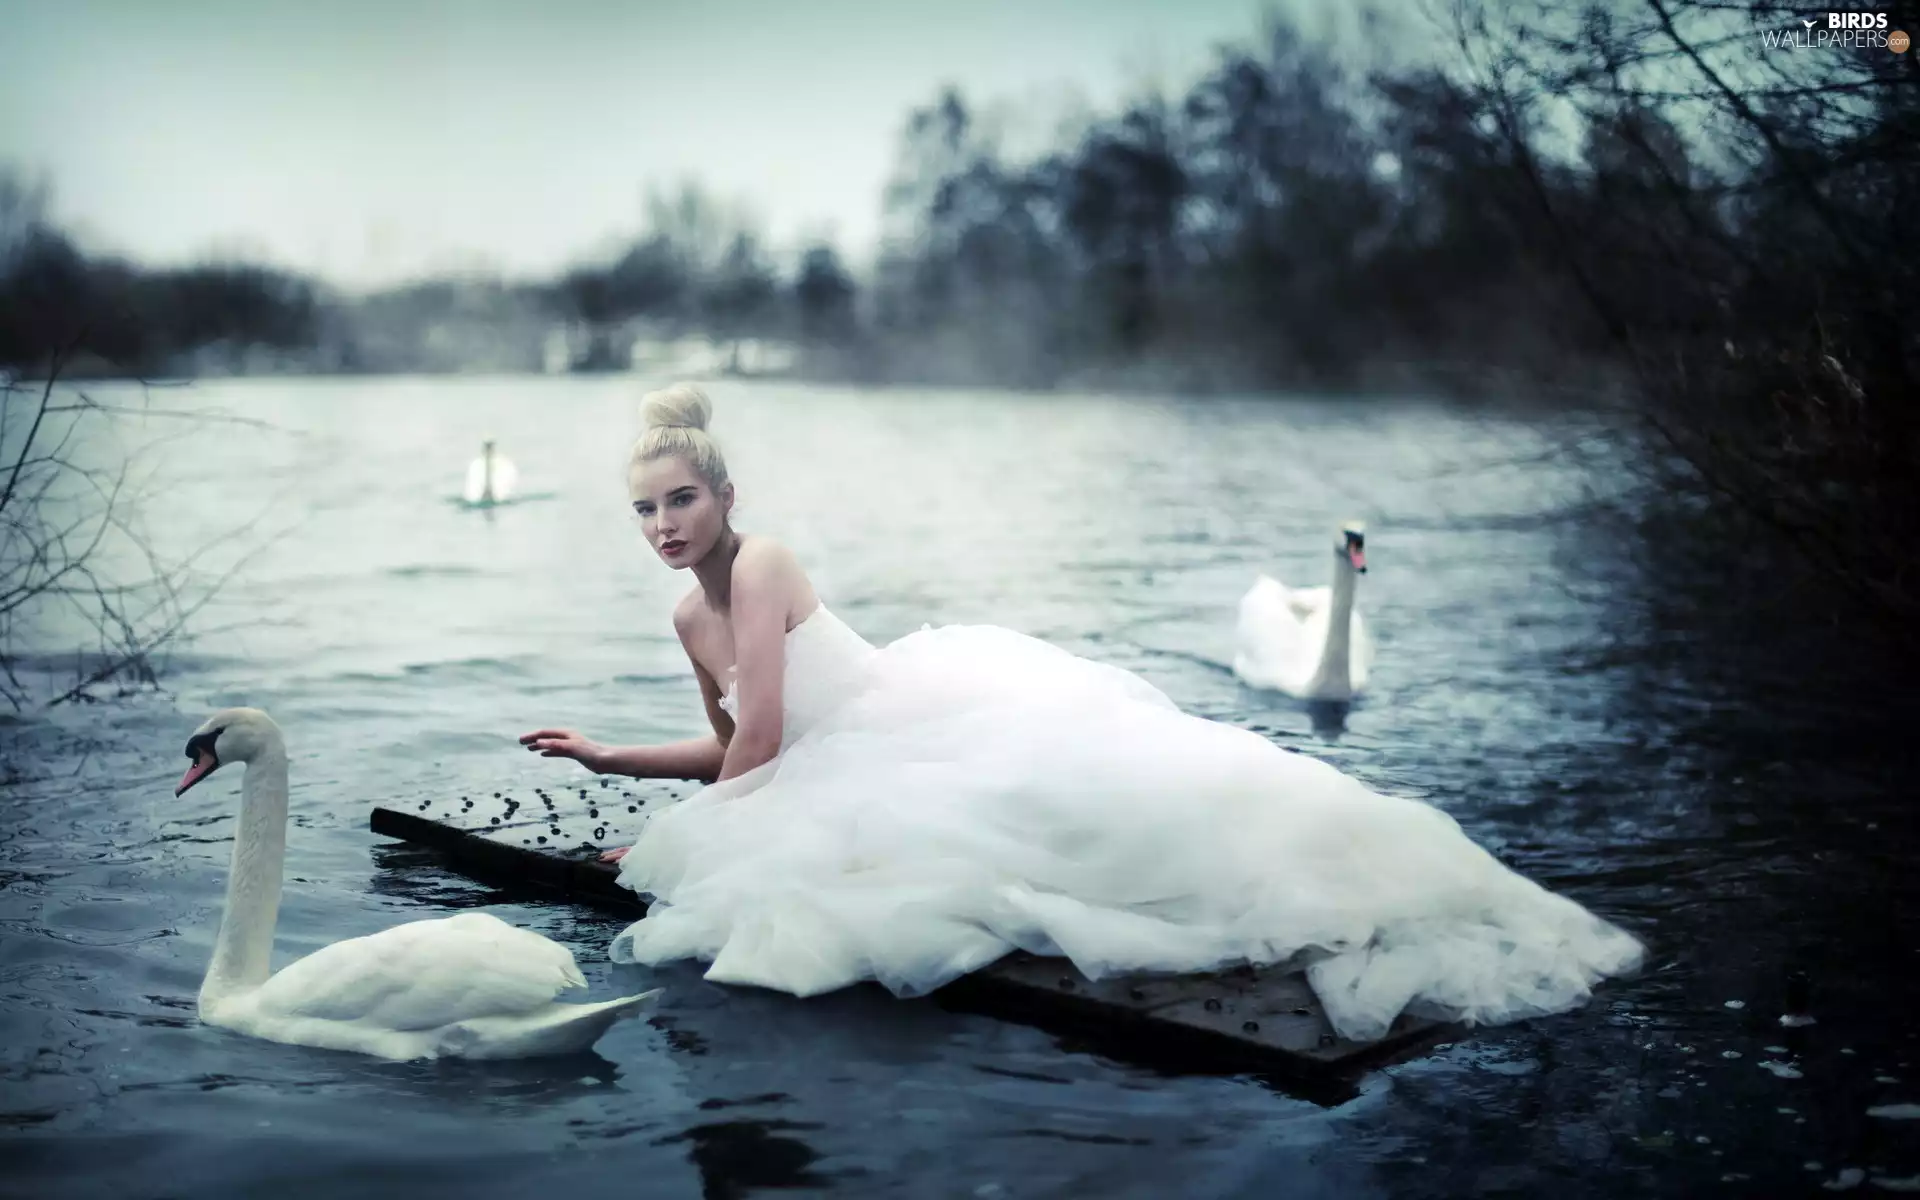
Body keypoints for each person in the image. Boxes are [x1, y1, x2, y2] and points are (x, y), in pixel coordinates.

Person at [519, 383, 1644, 1042]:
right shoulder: (687, 619)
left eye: (683, 499)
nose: (665, 522)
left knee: (1094, 825)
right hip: (832, 769)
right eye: (645, 509)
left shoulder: (762, 564)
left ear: (726, 498)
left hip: (901, 730)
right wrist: (616, 757)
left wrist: (687, 837)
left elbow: (758, 748)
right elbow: (732, 746)